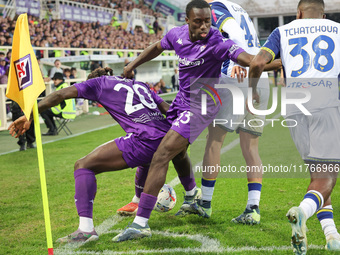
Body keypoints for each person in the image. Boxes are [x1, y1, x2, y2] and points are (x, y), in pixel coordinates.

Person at [113, 0, 259, 242]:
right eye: (199, 22)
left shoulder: (219, 42)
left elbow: (247, 59)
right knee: (177, 153)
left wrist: (271, 63)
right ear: (187, 21)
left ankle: (141, 224)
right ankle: (192, 197)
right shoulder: (176, 35)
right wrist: (131, 65)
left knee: (162, 154)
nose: (205, 27)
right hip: (181, 101)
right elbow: (157, 47)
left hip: (203, 105)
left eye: (208, 22)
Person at [9, 67, 198, 243]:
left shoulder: (97, 84)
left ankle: (86, 229)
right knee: (162, 158)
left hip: (144, 139)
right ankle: (189, 196)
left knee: (82, 165)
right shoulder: (138, 84)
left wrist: (31, 115)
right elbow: (166, 108)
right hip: (167, 136)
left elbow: (60, 94)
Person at [248, 0, 340, 253]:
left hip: (295, 107)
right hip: (326, 103)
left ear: (299, 13)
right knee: (328, 176)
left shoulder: (282, 31)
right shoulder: (336, 29)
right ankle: (302, 212)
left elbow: (256, 63)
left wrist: (252, 92)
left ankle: (331, 235)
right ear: (324, 14)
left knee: (318, 175)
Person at [191, 0, 280, 222]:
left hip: (236, 77)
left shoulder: (215, 8)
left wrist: (238, 63)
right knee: (251, 147)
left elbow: (234, 33)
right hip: (260, 79)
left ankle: (205, 203)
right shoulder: (239, 8)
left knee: (214, 140)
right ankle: (253, 208)